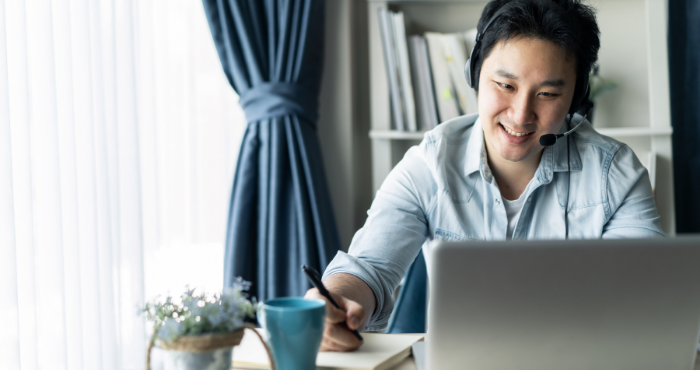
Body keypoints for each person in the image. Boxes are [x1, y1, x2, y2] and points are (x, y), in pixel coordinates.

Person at [305, 0, 665, 352]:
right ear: (475, 72)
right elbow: (368, 267)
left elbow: (649, 297)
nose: (521, 115)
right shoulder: (430, 163)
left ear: (576, 99)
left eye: (547, 94)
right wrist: (335, 301)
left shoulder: (614, 174)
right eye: (505, 86)